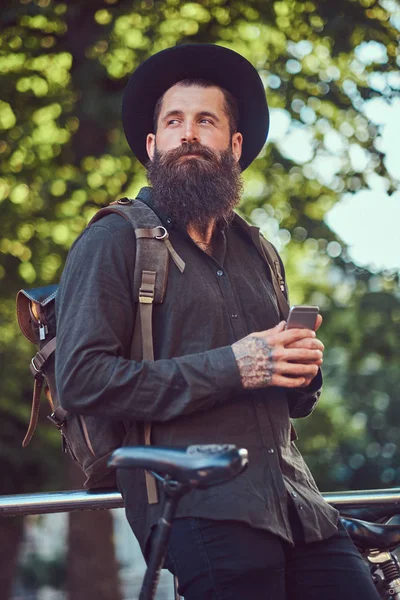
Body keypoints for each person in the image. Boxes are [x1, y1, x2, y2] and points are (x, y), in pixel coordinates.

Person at [56, 44, 380, 599]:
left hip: (297, 503)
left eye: (205, 120)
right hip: (196, 507)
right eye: (174, 121)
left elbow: (290, 399)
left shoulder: (261, 252)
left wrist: (301, 369)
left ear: (234, 145)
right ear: (154, 145)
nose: (188, 134)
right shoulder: (113, 240)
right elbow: (82, 379)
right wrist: (234, 366)